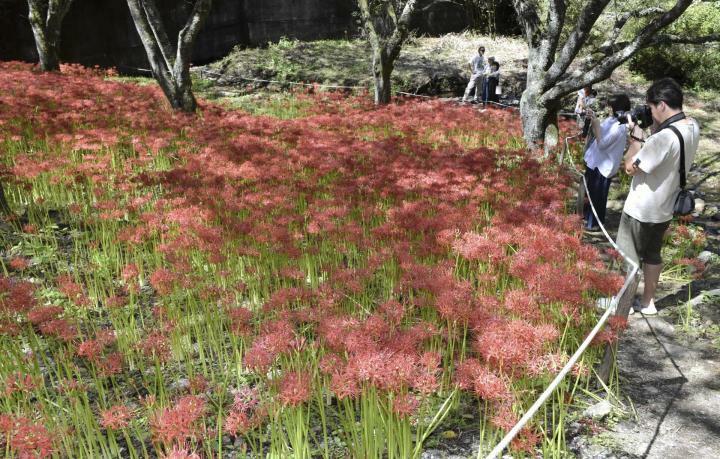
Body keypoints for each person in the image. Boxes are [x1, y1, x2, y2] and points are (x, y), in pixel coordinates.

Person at [618, 77, 700, 315]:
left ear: (661, 105)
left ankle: (624, 307)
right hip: (665, 208)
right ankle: (648, 303)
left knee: (629, 256)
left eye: (652, 108)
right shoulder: (692, 126)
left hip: (641, 208)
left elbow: (630, 167)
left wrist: (635, 138)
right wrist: (652, 130)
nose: (651, 113)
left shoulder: (662, 138)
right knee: (653, 254)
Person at [583, 93, 631, 230]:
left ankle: (595, 224)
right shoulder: (611, 120)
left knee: (598, 196)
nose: (609, 109)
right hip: (596, 162)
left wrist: (597, 126)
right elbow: (601, 131)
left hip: (604, 166)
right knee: (590, 192)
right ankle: (586, 219)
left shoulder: (621, 127)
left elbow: (602, 143)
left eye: (611, 106)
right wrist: (594, 120)